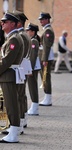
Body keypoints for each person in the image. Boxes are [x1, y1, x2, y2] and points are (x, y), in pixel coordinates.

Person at [0, 12, 24, 143]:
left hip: (9, 75)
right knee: (11, 104)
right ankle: (13, 131)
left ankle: (14, 134)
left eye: (5, 21)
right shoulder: (12, 37)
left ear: (13, 24)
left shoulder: (14, 38)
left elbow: (7, 60)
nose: (2, 23)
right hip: (8, 75)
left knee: (11, 105)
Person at [13, 10, 31, 131]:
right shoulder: (24, 34)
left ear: (19, 23)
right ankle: (22, 119)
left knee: (19, 95)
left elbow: (19, 55)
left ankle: (20, 120)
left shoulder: (21, 36)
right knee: (21, 95)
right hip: (22, 67)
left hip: (19, 67)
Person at [38, 12, 55, 106]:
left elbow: (47, 46)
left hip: (47, 57)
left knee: (45, 77)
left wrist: (44, 59)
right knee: (44, 77)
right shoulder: (46, 29)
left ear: (47, 20)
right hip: (45, 56)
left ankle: (48, 97)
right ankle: (47, 96)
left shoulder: (48, 30)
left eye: (42, 19)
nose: (41, 21)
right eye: (40, 19)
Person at [26, 23, 40, 115]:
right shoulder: (32, 40)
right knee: (32, 86)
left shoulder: (34, 41)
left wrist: (30, 69)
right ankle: (34, 106)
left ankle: (34, 107)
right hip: (33, 66)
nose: (27, 32)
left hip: (33, 67)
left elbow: (33, 56)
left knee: (32, 87)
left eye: (28, 30)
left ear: (33, 32)